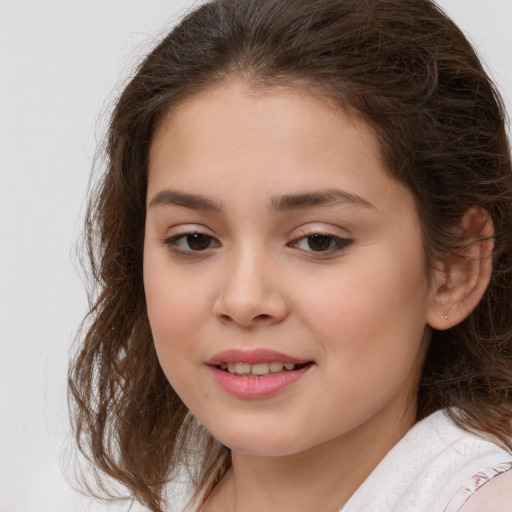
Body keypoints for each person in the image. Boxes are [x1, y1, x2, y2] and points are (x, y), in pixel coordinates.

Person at [68, 0, 512, 510]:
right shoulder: (163, 482)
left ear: (455, 269)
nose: (243, 299)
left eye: (318, 240)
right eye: (195, 239)